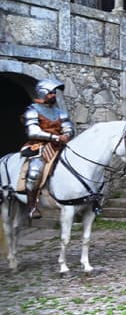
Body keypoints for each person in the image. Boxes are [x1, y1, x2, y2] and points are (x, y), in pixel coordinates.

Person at [20, 79, 75, 220]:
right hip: (39, 146)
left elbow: (68, 128)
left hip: (60, 145)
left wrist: (67, 135)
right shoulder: (32, 111)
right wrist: (55, 138)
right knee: (34, 171)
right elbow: (32, 131)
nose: (53, 95)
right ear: (43, 93)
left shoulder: (60, 113)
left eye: (54, 92)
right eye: (50, 93)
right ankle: (32, 207)